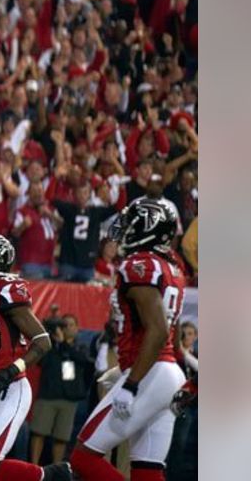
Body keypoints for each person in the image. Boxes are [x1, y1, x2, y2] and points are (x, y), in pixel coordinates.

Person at [70, 198, 189, 481]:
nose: (125, 229)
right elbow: (167, 333)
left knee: (83, 457)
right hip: (165, 372)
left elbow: (158, 331)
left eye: (132, 223)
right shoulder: (172, 268)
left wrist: (132, 383)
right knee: (147, 471)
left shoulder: (139, 264)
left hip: (150, 372)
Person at [0, 234, 71, 481]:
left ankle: (51, 475)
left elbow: (43, 341)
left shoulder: (7, 291)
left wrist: (11, 370)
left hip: (10, 387)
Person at [30, 315, 93, 466]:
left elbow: (83, 361)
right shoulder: (50, 345)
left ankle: (57, 468)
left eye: (71, 325)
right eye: (64, 325)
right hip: (48, 396)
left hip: (69, 399)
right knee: (39, 432)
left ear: (77, 328)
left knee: (62, 436)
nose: (67, 328)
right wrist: (53, 340)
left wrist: (63, 343)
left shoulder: (80, 346)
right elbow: (41, 362)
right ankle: (33, 466)